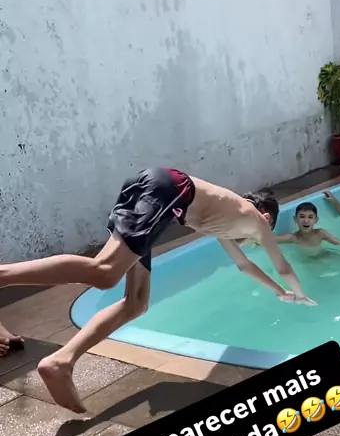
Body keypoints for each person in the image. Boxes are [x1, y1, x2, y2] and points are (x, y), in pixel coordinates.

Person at [0, 168, 315, 413]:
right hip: (168, 189)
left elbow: (245, 266)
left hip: (160, 193)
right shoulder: (256, 220)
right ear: (266, 217)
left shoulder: (227, 222)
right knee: (105, 273)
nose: (259, 239)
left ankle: (62, 361)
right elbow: (283, 265)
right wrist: (299, 293)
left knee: (136, 302)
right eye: (266, 230)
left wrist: (279, 292)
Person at [274, 201, 340, 256]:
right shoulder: (294, 238)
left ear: (316, 220)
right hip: (308, 262)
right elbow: (270, 239)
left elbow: (339, 243)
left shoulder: (320, 233)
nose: (306, 220)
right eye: (302, 217)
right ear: (295, 219)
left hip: (324, 255)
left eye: (310, 217)